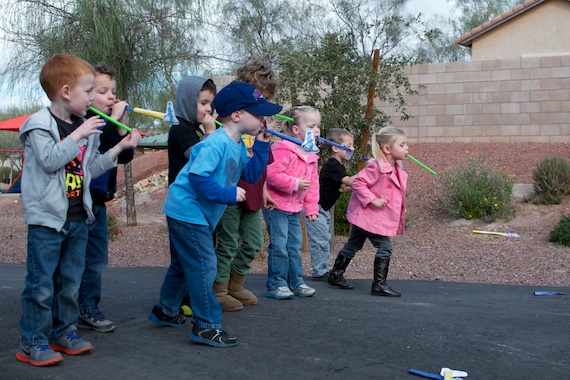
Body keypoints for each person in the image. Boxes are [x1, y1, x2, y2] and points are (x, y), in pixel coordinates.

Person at [16, 53, 141, 367]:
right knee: (41, 285)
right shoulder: (39, 125)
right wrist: (78, 135)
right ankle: (32, 341)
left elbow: (92, 169)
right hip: (47, 221)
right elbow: (50, 160)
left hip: (77, 218)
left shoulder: (83, 127)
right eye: (88, 91)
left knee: (70, 282)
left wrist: (118, 148)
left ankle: (63, 331)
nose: (92, 98)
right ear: (66, 91)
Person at [148, 82, 282, 348]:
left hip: (195, 214)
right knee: (204, 266)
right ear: (236, 115)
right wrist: (227, 195)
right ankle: (207, 325)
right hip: (186, 211)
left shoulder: (237, 145)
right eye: (258, 114)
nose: (264, 120)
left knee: (183, 265)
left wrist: (262, 146)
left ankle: (166, 309)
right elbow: (198, 178)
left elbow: (251, 176)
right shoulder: (215, 144)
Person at [214, 56, 279, 311]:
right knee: (228, 242)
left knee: (254, 242)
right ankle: (218, 290)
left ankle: (234, 283)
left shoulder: (257, 127)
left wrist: (264, 191)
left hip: (251, 193)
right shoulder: (231, 125)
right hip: (230, 193)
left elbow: (259, 169)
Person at [77, 63, 135, 333]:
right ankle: (72, 309)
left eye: (113, 90)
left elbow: (122, 157)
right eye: (103, 91)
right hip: (79, 200)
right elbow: (101, 149)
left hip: (98, 201)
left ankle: (87, 307)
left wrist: (121, 126)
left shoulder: (110, 121)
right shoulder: (86, 121)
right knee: (76, 259)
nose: (111, 96)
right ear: (87, 94)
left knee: (97, 259)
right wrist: (116, 125)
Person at [327, 126, 408, 297]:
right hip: (369, 215)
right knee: (385, 247)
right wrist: (372, 199)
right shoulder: (377, 167)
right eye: (402, 145)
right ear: (387, 149)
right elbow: (358, 183)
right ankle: (379, 284)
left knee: (354, 244)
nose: (407, 148)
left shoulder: (395, 168)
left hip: (368, 216)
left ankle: (336, 273)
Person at [168, 76, 217, 317]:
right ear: (188, 102)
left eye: (210, 104)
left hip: (196, 204)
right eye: (203, 103)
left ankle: (170, 304)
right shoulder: (181, 129)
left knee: (190, 256)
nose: (208, 109)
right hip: (184, 204)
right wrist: (210, 135)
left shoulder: (193, 130)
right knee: (190, 257)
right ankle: (185, 300)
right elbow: (199, 158)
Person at [264, 106, 320, 299]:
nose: (317, 130)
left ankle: (295, 281)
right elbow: (271, 174)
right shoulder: (282, 149)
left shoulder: (311, 155)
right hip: (277, 205)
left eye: (318, 126)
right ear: (296, 130)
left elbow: (312, 185)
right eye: (312, 126)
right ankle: (276, 283)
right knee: (279, 246)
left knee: (294, 246)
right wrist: (295, 183)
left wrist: (311, 207)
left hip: (295, 208)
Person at [305, 129, 356, 281]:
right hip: (316, 207)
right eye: (349, 145)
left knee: (324, 238)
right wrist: (371, 171)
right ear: (335, 147)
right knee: (320, 239)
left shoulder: (339, 166)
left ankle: (322, 268)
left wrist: (362, 186)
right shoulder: (333, 165)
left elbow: (343, 187)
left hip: (324, 208)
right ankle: (319, 270)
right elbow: (348, 181)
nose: (352, 149)